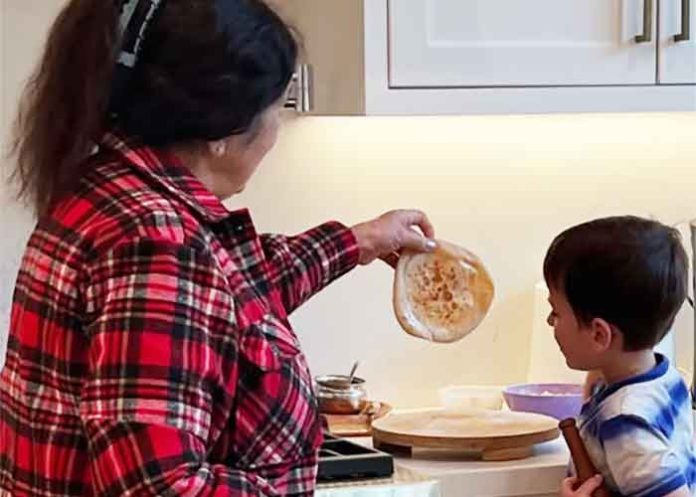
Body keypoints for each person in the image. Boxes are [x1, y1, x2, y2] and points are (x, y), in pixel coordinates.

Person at [0, 1, 437, 495]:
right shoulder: (158, 241)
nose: (275, 127)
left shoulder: (110, 190)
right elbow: (157, 487)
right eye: (277, 103)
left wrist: (360, 240)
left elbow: (226, 306)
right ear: (221, 133)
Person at [543, 216, 695, 497]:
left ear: (600, 335)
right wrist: (600, 374)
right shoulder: (664, 376)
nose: (550, 322)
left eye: (556, 312)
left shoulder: (626, 423)